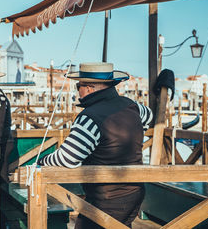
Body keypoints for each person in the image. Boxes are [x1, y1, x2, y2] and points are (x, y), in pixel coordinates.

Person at [37, 62, 153, 229]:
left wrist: (42, 161)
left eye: (79, 86)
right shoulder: (132, 105)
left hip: (106, 197)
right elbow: (149, 116)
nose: (77, 90)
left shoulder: (90, 117)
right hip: (135, 192)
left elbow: (67, 159)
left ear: (89, 88)